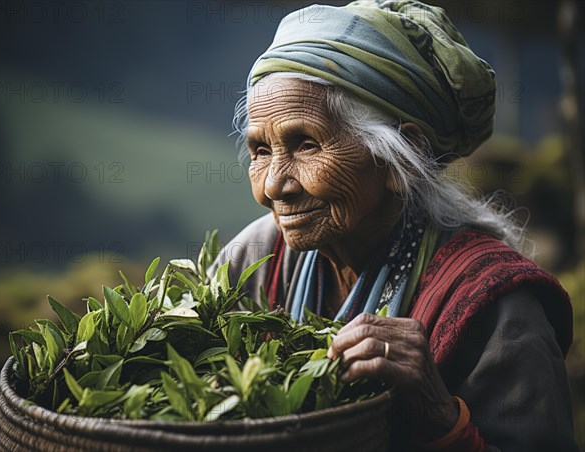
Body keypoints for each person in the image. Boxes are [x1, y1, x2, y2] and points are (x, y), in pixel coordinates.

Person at [211, 1, 578, 450]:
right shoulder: (251, 261)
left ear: (399, 157)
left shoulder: (498, 307)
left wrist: (437, 412)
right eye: (260, 151)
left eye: (305, 145)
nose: (273, 186)